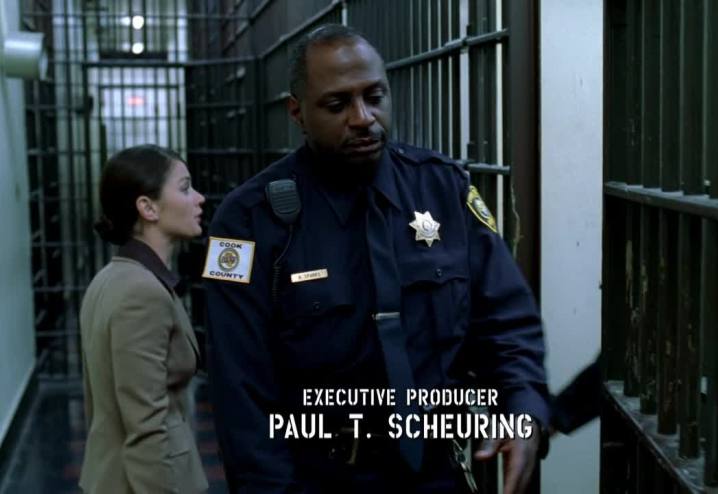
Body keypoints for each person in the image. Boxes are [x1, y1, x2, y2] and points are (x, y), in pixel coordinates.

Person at [204, 24, 549, 494]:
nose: (363, 117)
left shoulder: (442, 188)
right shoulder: (244, 222)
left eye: (374, 97)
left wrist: (523, 409)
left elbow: (507, 321)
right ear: (297, 112)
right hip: (319, 479)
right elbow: (239, 388)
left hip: (437, 472)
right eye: (337, 104)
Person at [79, 145, 209, 493]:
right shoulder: (142, 293)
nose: (199, 198)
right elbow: (147, 428)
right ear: (148, 207)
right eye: (185, 188)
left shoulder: (110, 278)